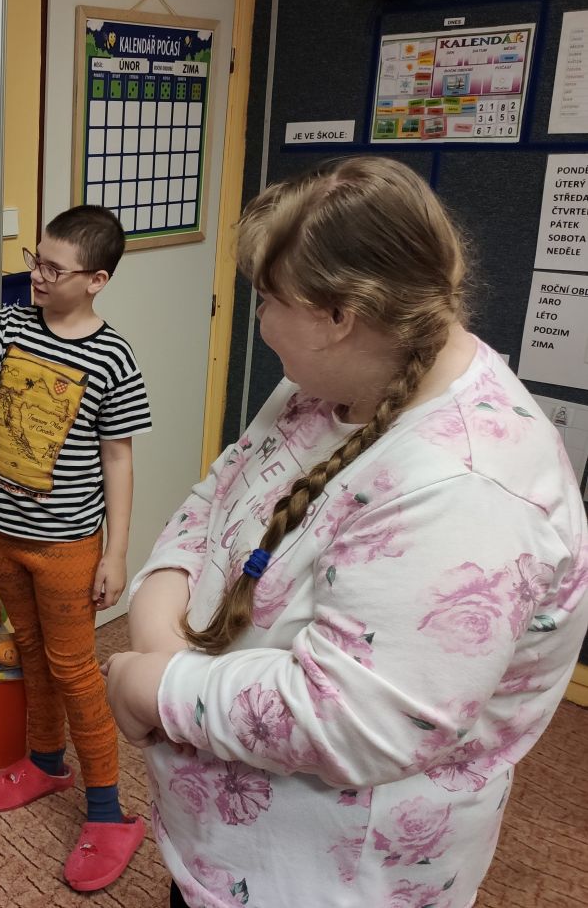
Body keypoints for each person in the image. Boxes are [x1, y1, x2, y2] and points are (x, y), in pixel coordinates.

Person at [104, 157, 588, 908]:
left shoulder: (468, 488)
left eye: (268, 300)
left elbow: (355, 718)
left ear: (340, 316)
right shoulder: (333, 381)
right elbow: (218, 499)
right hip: (223, 846)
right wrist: (158, 620)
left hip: (324, 880)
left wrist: (155, 684)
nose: (260, 321)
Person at [0, 205, 154, 892]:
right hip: (0, 530)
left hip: (67, 545)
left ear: (96, 280)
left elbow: (118, 458)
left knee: (74, 668)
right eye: (37, 258)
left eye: (55, 268)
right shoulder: (8, 326)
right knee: (30, 651)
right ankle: (46, 760)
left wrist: (117, 553)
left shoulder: (113, 356)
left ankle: (109, 811)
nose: (38, 274)